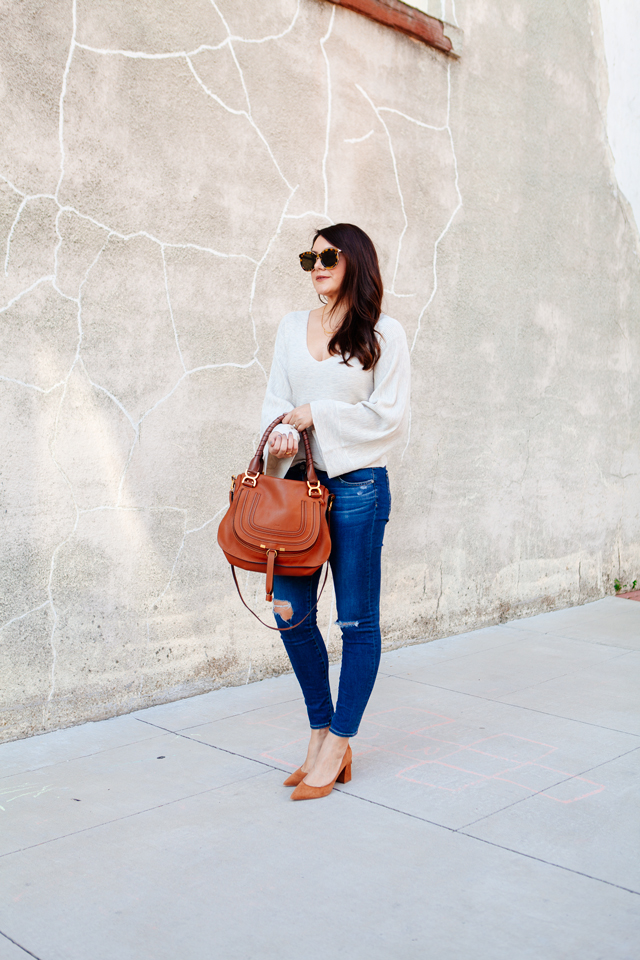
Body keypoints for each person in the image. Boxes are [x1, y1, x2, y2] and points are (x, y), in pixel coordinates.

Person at [260, 222, 410, 800]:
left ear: (356, 261)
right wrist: (280, 434)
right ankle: (319, 730)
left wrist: (315, 412)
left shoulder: (382, 333)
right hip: (298, 490)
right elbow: (277, 401)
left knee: (355, 621)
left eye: (327, 256)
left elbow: (389, 415)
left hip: (359, 490)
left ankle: (339, 742)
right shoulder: (290, 328)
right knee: (289, 612)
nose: (316, 265)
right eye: (308, 257)